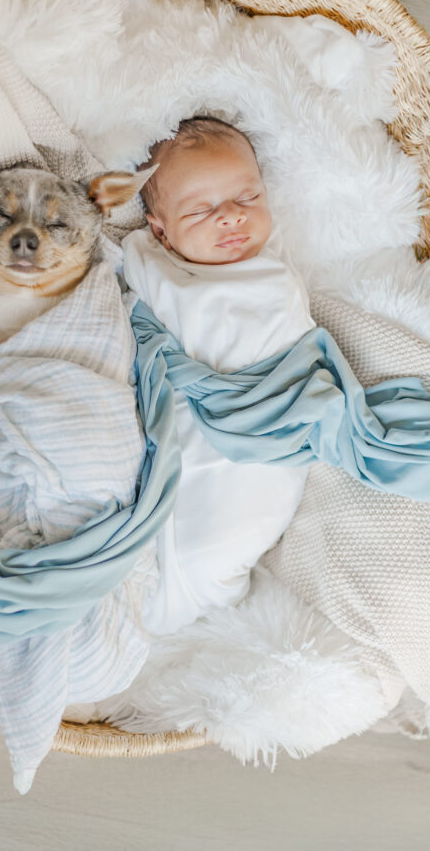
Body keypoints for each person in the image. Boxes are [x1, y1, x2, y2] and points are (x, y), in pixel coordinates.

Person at [122, 117, 314, 634]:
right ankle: (162, 609)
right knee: (179, 535)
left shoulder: (274, 282)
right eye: (202, 210)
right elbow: (128, 281)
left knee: (228, 537)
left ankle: (193, 603)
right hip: (193, 434)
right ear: (160, 230)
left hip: (260, 444)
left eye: (247, 197)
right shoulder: (160, 268)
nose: (231, 216)